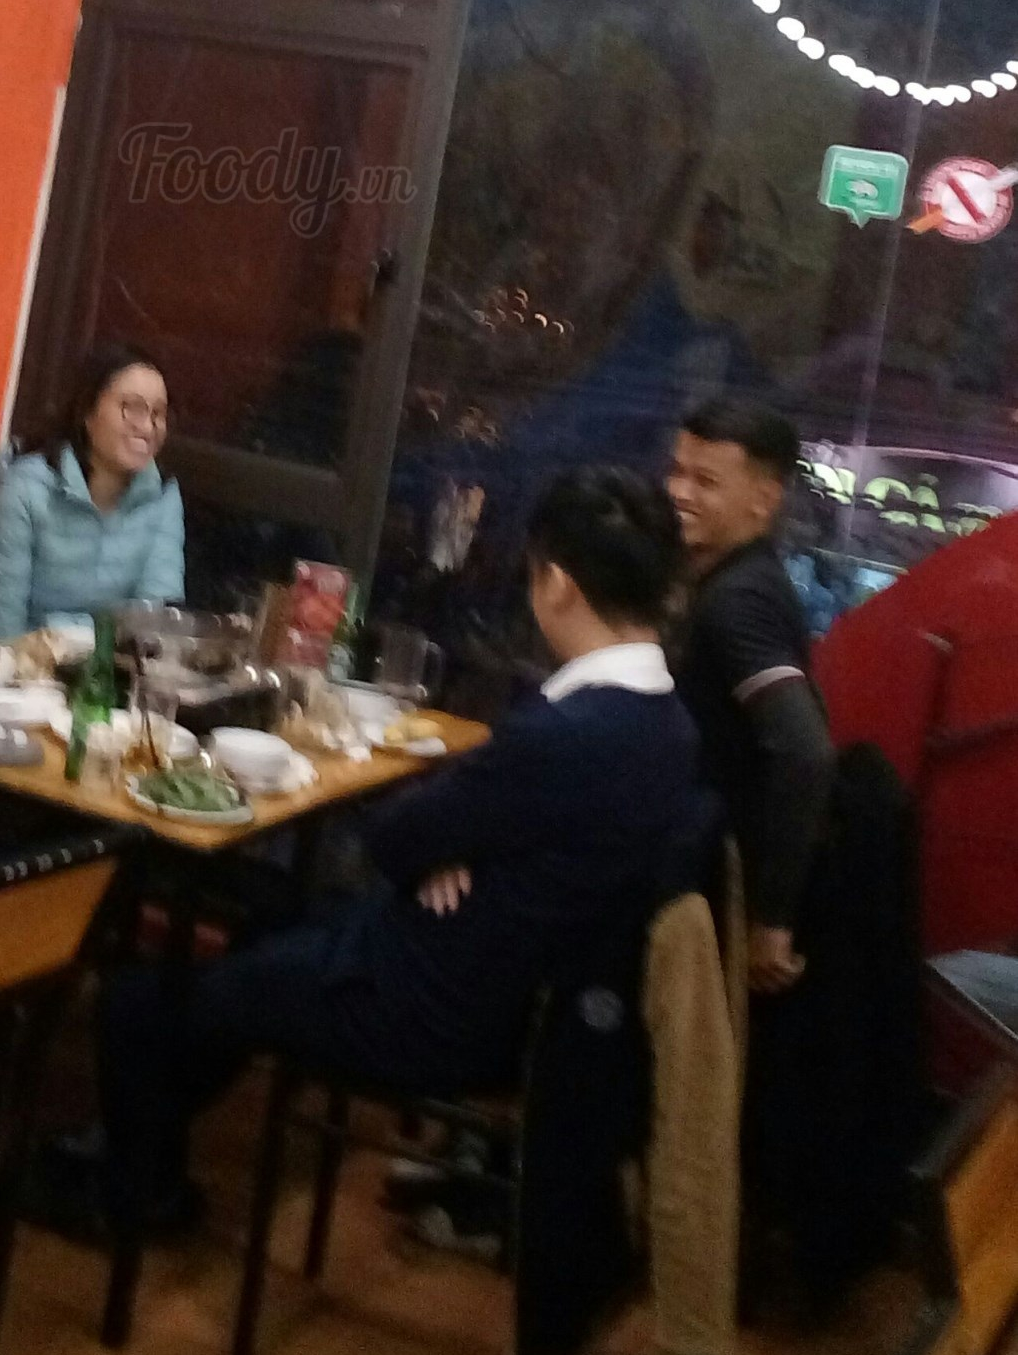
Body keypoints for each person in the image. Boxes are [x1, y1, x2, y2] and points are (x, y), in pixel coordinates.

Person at [94, 466, 701, 1238]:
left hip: (426, 1009)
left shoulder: (564, 733)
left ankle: (135, 1201)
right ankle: (151, 1149)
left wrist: (447, 844)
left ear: (557, 584)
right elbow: (455, 835)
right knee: (265, 920)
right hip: (517, 1006)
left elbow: (394, 836)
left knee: (137, 1004)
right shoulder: (670, 729)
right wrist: (458, 849)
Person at [667, 397, 836, 995]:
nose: (679, 492)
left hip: (716, 882)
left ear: (763, 500)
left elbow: (805, 751)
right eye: (677, 471)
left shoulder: (738, 600)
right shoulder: (728, 581)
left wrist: (772, 917)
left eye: (705, 481)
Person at [0, 343, 184, 639]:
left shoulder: (162, 495)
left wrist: (81, 639)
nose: (147, 427)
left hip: (114, 665)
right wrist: (98, 638)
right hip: (18, 664)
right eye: (132, 408)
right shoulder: (23, 492)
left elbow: (156, 628)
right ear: (87, 412)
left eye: (158, 413)